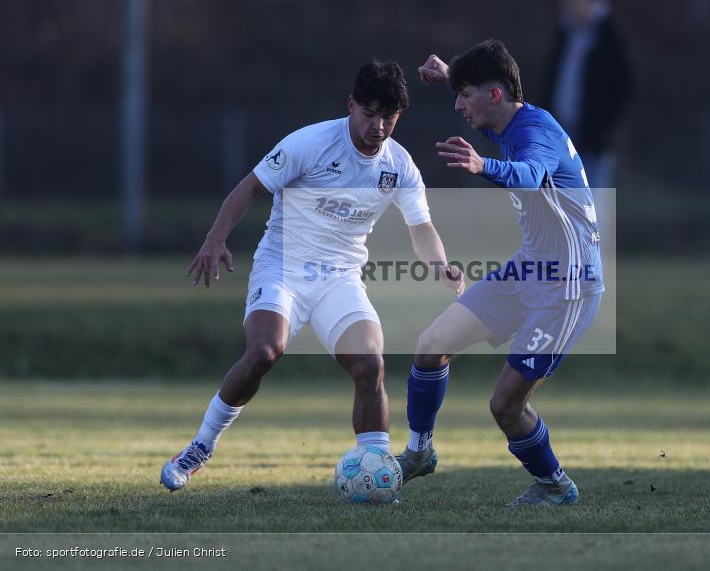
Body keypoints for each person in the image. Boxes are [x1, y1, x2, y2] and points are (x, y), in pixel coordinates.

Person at [160, 60, 464, 492]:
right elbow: (250, 186)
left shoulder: (399, 166)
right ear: (351, 105)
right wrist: (215, 238)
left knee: (370, 365)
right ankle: (199, 448)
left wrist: (440, 263)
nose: (378, 126)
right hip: (282, 267)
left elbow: (421, 228)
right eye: (369, 113)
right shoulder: (311, 143)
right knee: (265, 352)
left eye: (388, 117)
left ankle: (376, 471)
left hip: (340, 277)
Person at [398, 40, 604, 506]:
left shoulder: (537, 135)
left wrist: (481, 165)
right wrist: (453, 75)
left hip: (567, 287)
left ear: (493, 96)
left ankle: (555, 486)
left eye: (463, 95)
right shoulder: (508, 116)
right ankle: (419, 452)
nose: (457, 105)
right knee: (432, 346)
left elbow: (530, 173)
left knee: (506, 406)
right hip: (529, 269)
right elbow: (492, 106)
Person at [541, 0, 632, 188]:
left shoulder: (609, 39)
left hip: (592, 137)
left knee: (594, 199)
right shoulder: (564, 34)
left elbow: (623, 86)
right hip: (561, 129)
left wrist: (603, 125)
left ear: (590, 0)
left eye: (573, 1)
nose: (567, 8)